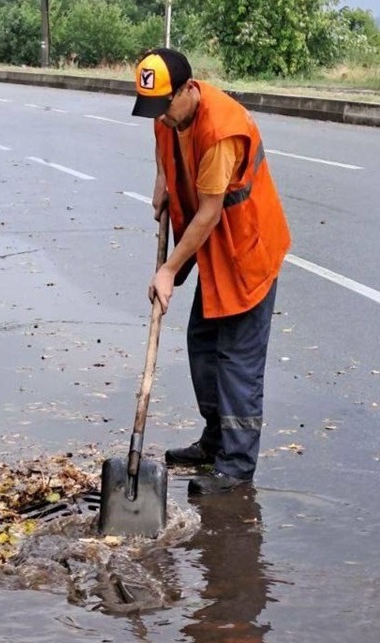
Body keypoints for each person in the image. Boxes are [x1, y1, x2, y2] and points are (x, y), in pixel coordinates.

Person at [131, 48, 291, 495]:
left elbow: (208, 214)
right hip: (216, 252)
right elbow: (162, 144)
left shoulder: (221, 131)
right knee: (202, 342)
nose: (160, 117)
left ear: (188, 89)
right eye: (153, 109)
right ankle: (215, 440)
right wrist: (162, 181)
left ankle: (236, 468)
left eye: (166, 106)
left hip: (245, 252)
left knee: (236, 359)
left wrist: (168, 270)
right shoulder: (168, 115)